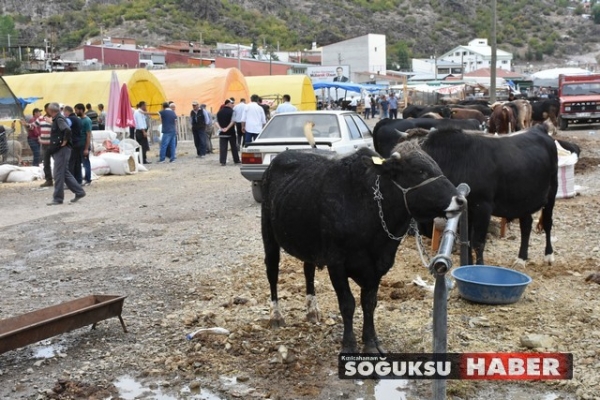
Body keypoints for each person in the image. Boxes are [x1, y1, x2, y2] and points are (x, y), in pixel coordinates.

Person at [45, 102, 86, 205]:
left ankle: (58, 198)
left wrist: (65, 141)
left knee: (58, 174)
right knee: (65, 173)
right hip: (61, 149)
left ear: (50, 110)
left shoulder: (59, 119)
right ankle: (79, 192)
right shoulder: (59, 118)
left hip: (62, 150)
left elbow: (67, 129)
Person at [63, 105, 85, 185]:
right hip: (79, 142)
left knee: (71, 163)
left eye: (64, 112)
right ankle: (79, 181)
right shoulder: (78, 119)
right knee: (78, 163)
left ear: (67, 112)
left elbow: (66, 128)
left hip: (72, 143)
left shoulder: (69, 119)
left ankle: (71, 183)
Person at [215, 99, 240, 166]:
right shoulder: (232, 111)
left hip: (222, 133)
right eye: (232, 103)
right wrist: (227, 128)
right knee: (234, 146)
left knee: (223, 147)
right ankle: (236, 159)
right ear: (228, 103)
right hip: (230, 132)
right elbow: (233, 121)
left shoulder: (219, 112)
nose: (233, 105)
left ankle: (223, 161)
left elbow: (215, 121)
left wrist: (220, 128)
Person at [74, 103, 93, 186]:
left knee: (86, 162)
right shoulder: (79, 120)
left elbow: (88, 135)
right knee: (79, 163)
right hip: (79, 144)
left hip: (84, 144)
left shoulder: (87, 120)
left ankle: (88, 179)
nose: (76, 112)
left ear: (81, 110)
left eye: (76, 110)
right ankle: (81, 179)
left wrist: (86, 148)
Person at [37, 103, 54, 187]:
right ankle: (49, 180)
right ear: (46, 110)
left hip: (53, 144)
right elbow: (33, 126)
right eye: (49, 109)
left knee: (58, 162)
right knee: (46, 163)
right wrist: (26, 125)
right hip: (44, 145)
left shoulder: (55, 118)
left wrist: (51, 122)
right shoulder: (40, 119)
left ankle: (62, 179)